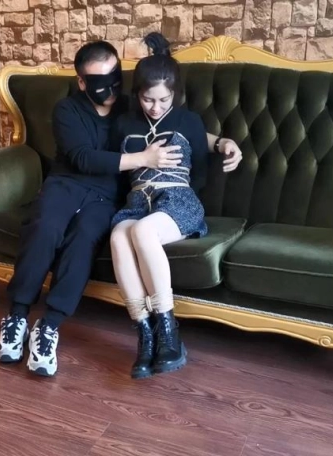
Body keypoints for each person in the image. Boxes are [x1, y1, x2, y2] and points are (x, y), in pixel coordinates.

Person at [0, 40, 243, 377]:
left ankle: (51, 324)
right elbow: (83, 157)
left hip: (108, 195)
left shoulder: (131, 106)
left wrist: (223, 142)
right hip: (71, 185)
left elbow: (181, 126)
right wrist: (143, 158)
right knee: (48, 227)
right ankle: (18, 315)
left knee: (85, 237)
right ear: (82, 82)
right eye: (99, 82)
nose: (110, 89)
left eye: (115, 78)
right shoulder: (71, 110)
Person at [109, 32, 221, 379]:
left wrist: (224, 143)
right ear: (137, 94)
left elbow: (200, 171)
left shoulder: (189, 121)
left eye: (163, 99)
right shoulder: (124, 123)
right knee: (119, 236)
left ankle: (169, 332)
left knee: (143, 231)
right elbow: (116, 170)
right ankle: (145, 334)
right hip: (136, 200)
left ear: (175, 94)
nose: (155, 107)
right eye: (147, 99)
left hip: (177, 199)